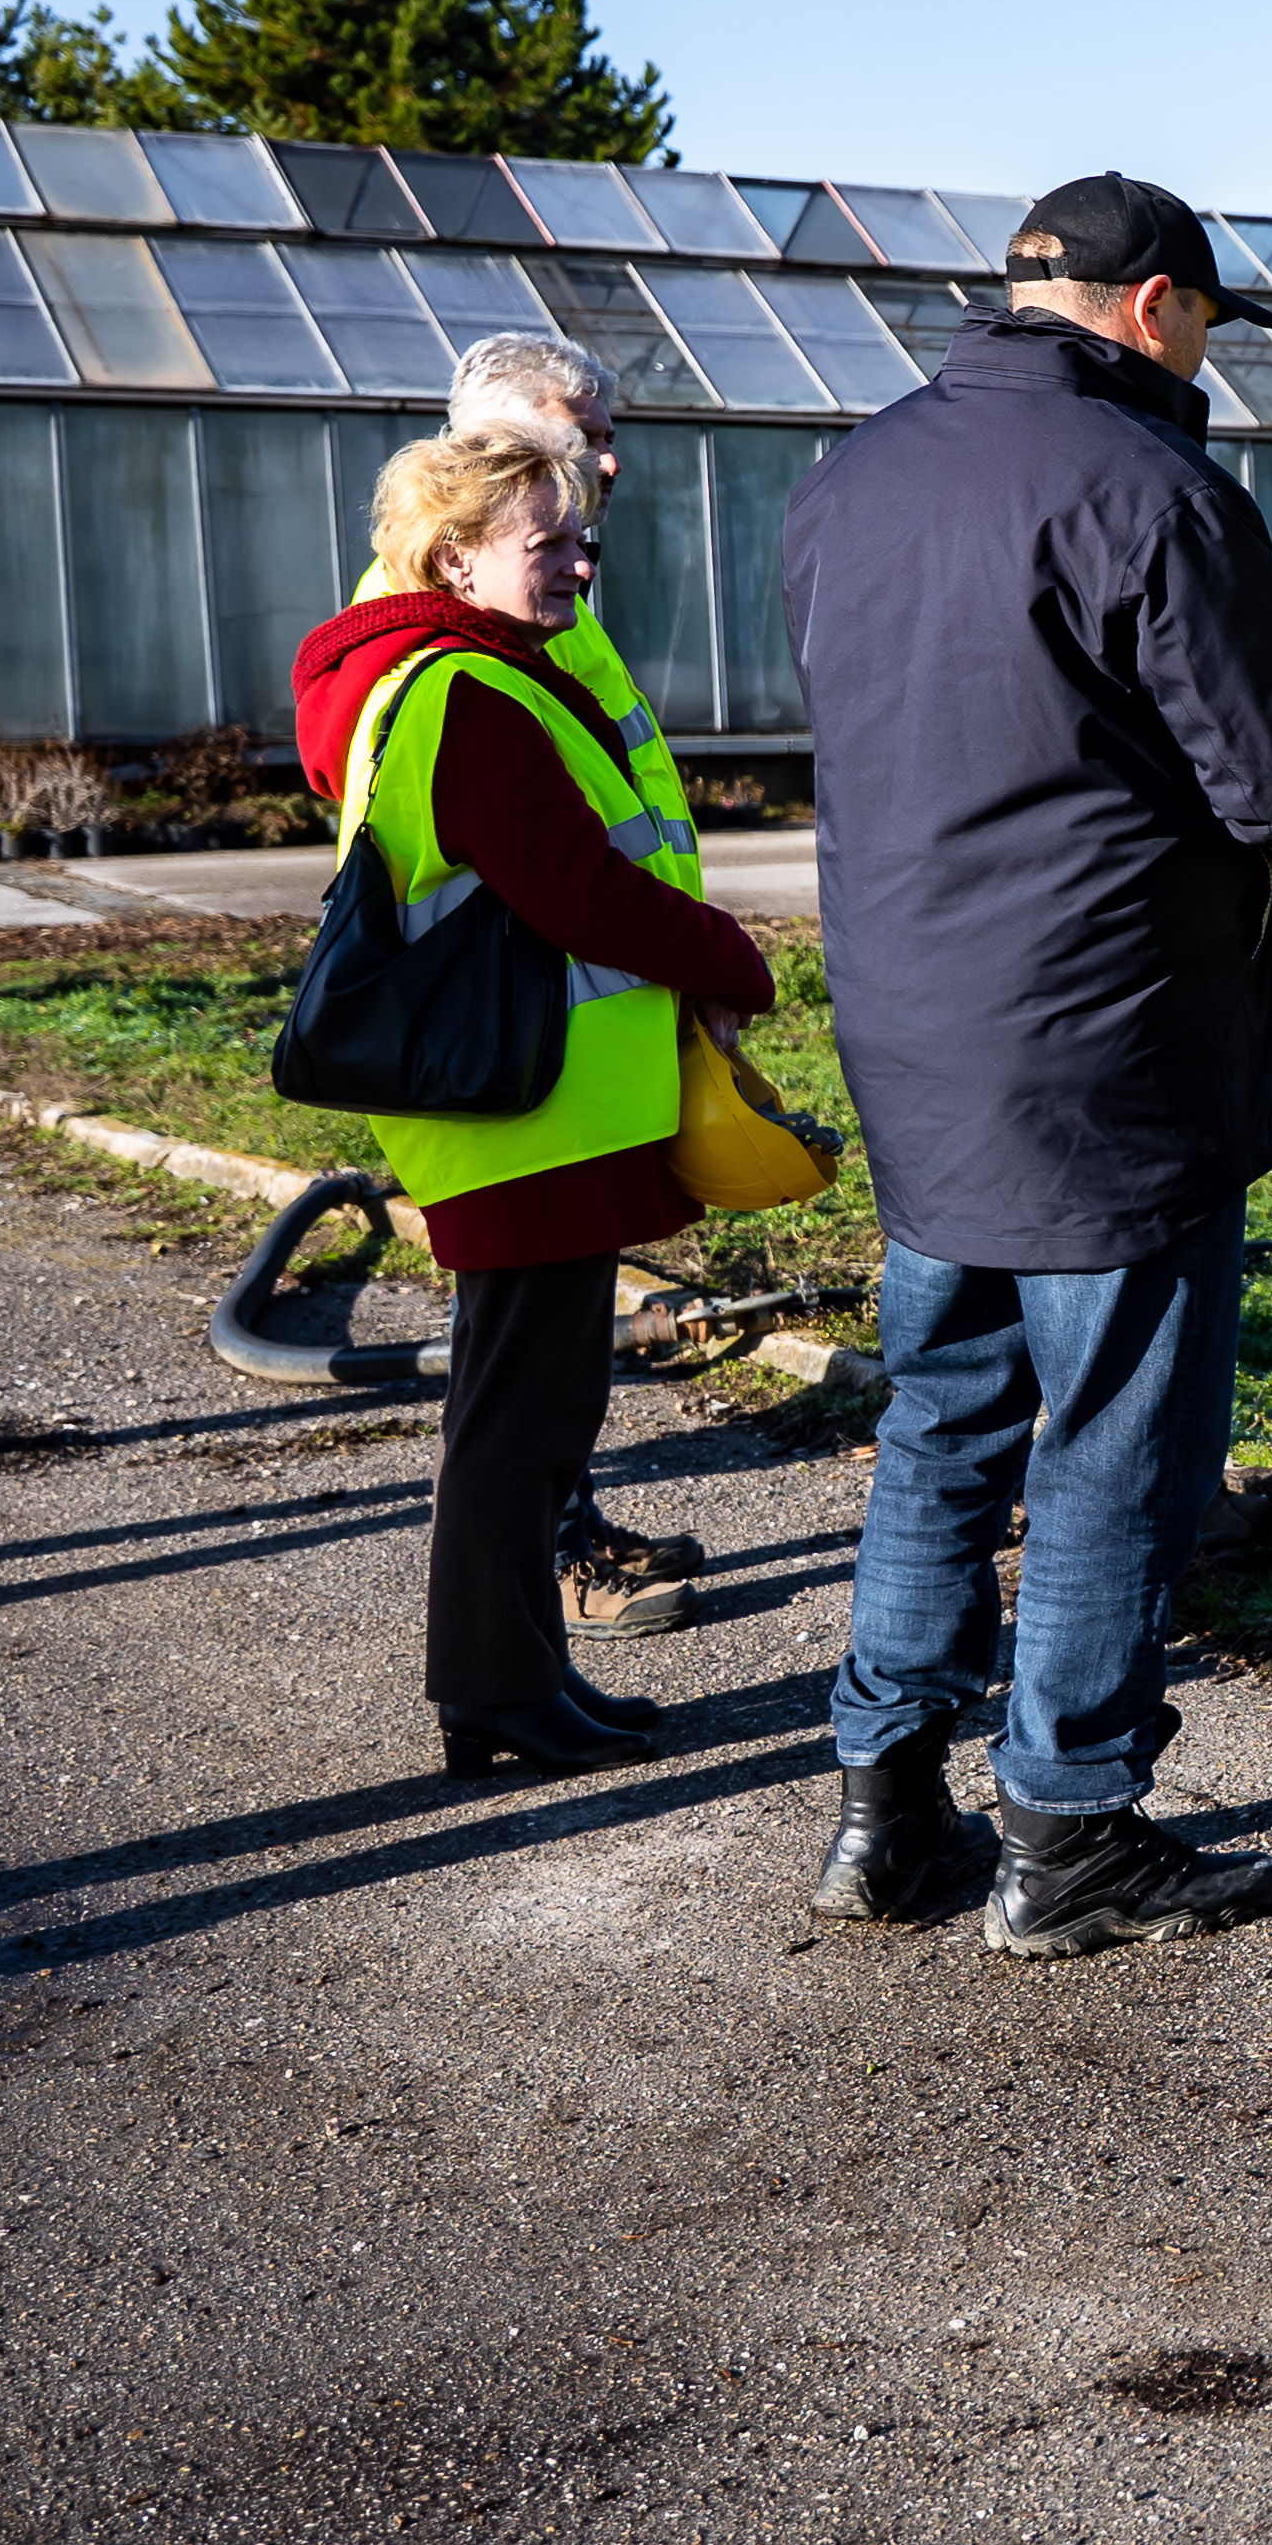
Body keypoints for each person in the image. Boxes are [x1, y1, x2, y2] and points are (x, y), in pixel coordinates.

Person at [775, 173, 1272, 1956]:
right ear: (1153, 306)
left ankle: (885, 1812)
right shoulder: (1160, 493)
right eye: (1203, 324)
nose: (1204, 355)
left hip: (912, 1032)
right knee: (1114, 1439)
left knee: (941, 1419)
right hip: (1108, 1043)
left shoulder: (845, 480)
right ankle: (1074, 1826)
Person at [290, 429, 782, 1776]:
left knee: (529, 1411)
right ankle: (499, 1694)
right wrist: (728, 955)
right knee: (521, 1419)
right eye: (544, 541)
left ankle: (514, 1680)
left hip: (534, 1112)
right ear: (454, 555)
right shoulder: (465, 694)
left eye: (580, 537)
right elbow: (580, 891)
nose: (577, 562)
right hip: (527, 1119)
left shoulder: (454, 675)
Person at [358, 334, 719, 1646]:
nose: (607, 458)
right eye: (577, 433)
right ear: (482, 455)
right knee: (519, 1384)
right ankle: (520, 1640)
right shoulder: (463, 640)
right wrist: (709, 955)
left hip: (572, 1059)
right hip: (518, 1072)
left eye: (607, 430)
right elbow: (555, 874)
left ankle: (529, 1627)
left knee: (543, 1374)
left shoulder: (538, 596)